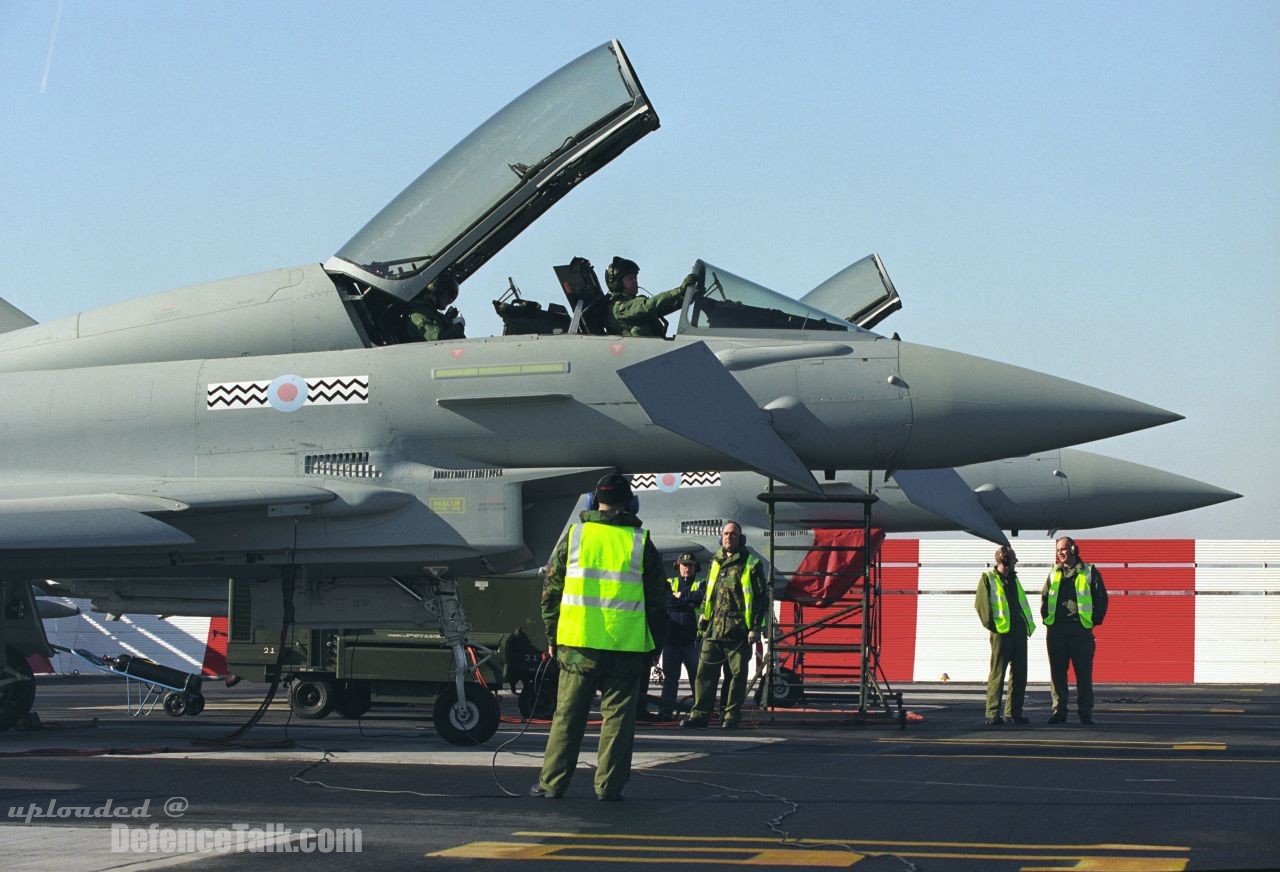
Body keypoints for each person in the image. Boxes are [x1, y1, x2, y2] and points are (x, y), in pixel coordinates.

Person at [531, 473, 669, 800]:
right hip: (627, 649)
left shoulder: (575, 537)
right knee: (618, 724)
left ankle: (552, 784)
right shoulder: (641, 543)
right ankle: (608, 787)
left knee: (567, 719)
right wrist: (654, 648)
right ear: (630, 503)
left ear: (594, 502)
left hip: (578, 646)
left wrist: (553, 635)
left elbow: (550, 592)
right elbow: (657, 604)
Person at [681, 521, 768, 730]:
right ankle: (700, 714)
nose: (729, 537)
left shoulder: (751, 564)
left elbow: (760, 599)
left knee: (736, 676)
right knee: (704, 674)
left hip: (738, 631)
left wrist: (755, 628)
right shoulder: (715, 561)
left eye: (733, 534)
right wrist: (703, 618)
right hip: (713, 629)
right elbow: (708, 593)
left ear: (741, 538)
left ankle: (730, 715)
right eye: (726, 534)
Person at [1041, 536, 1109, 725]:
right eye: (1057, 550)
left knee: (1083, 673)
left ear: (1073, 548)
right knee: (1057, 674)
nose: (1060, 553)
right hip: (1056, 631)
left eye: (1063, 549)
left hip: (1080, 631)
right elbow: (1045, 598)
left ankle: (1085, 712)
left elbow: (1101, 598)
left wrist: (1092, 622)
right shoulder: (1054, 572)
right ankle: (1059, 711)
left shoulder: (1089, 571)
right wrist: (1047, 620)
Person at [975, 545, 1035, 726]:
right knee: (998, 674)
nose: (1015, 562)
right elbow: (981, 606)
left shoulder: (1014, 580)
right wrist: (994, 627)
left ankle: (1014, 713)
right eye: (1013, 558)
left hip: (1018, 633)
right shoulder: (989, 578)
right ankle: (992, 714)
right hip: (1002, 634)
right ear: (1004, 559)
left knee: (1020, 674)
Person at [657, 553, 705, 720]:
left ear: (695, 567)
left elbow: (702, 598)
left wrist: (681, 597)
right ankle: (665, 713)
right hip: (671, 642)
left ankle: (699, 712)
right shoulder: (670, 583)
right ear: (678, 566)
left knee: (696, 679)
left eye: (690, 565)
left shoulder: (701, 583)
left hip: (692, 642)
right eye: (684, 565)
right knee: (670, 679)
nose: (687, 568)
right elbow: (668, 602)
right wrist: (688, 602)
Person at [603, 256, 696, 338]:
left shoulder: (631, 304)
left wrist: (685, 299)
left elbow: (661, 308)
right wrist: (679, 291)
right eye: (630, 278)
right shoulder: (619, 308)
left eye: (635, 278)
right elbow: (648, 305)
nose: (635, 281)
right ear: (617, 282)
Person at [403, 275, 465, 342]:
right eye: (447, 296)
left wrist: (448, 321)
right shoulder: (417, 315)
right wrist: (459, 326)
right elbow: (439, 340)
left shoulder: (431, 313)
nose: (448, 301)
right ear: (436, 292)